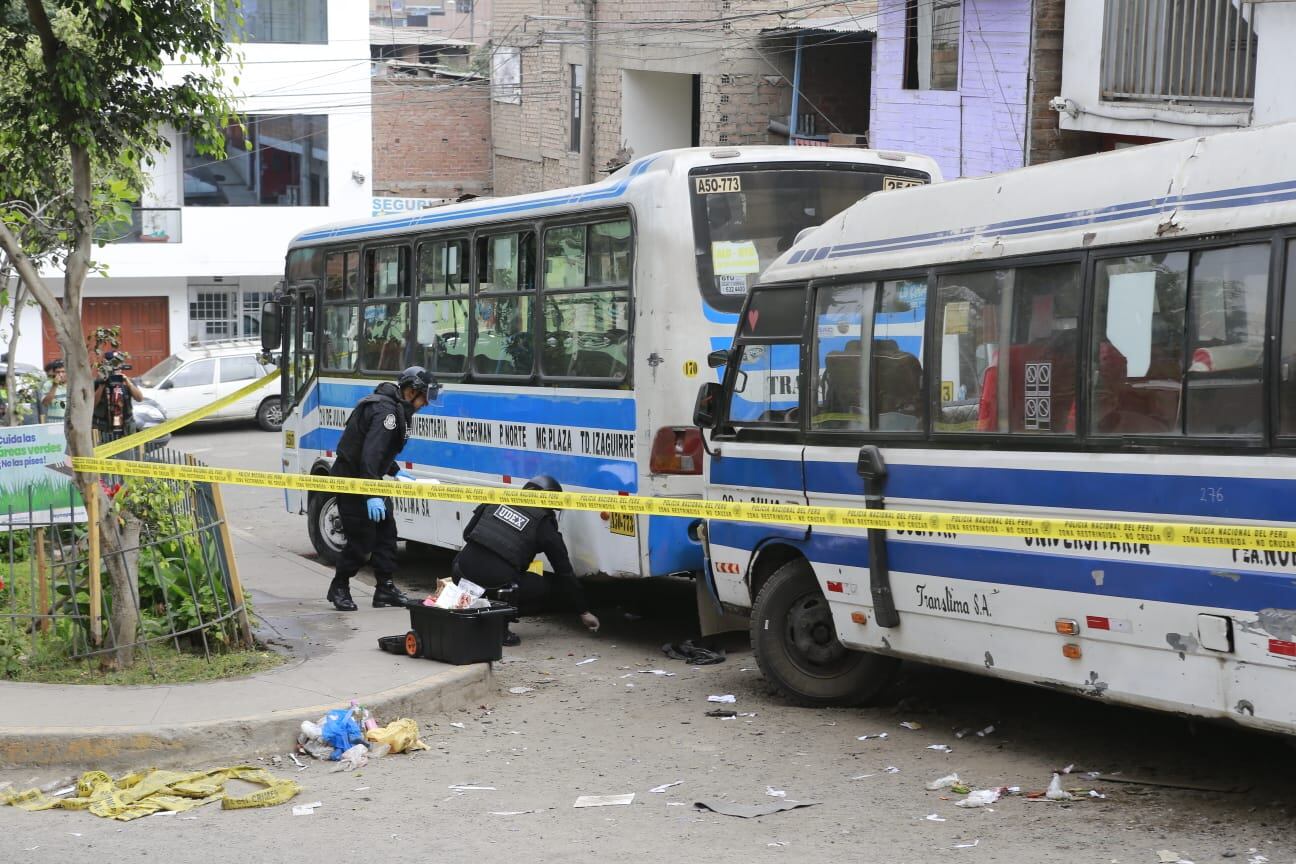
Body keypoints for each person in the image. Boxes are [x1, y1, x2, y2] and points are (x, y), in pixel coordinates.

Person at [327, 365, 439, 612]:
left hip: (369, 478)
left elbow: (379, 451)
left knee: (387, 534)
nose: (426, 404)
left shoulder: (395, 407)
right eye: (425, 397)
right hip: (354, 481)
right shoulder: (385, 412)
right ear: (412, 391)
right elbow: (369, 455)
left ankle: (385, 589)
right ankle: (339, 587)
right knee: (361, 540)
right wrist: (371, 494)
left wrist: (394, 469)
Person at [451, 474, 600, 646]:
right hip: (497, 584)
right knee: (543, 588)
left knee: (467, 559)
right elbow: (564, 571)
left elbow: (466, 534)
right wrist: (583, 611)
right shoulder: (544, 523)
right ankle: (499, 626)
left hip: (461, 573)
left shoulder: (498, 499)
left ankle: (471, 612)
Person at [92, 350, 143, 440]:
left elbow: (140, 398)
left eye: (118, 364)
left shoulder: (127, 381)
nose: (116, 367)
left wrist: (128, 383)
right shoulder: (98, 382)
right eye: (113, 363)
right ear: (106, 364)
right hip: (104, 428)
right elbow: (92, 405)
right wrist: (102, 385)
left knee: (126, 453)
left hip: (125, 427)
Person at [41, 359, 68, 424]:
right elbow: (45, 403)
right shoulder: (48, 384)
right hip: (53, 423)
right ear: (53, 373)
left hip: (70, 423)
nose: (60, 375)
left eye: (63, 371)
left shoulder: (73, 384)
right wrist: (54, 386)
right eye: (58, 372)